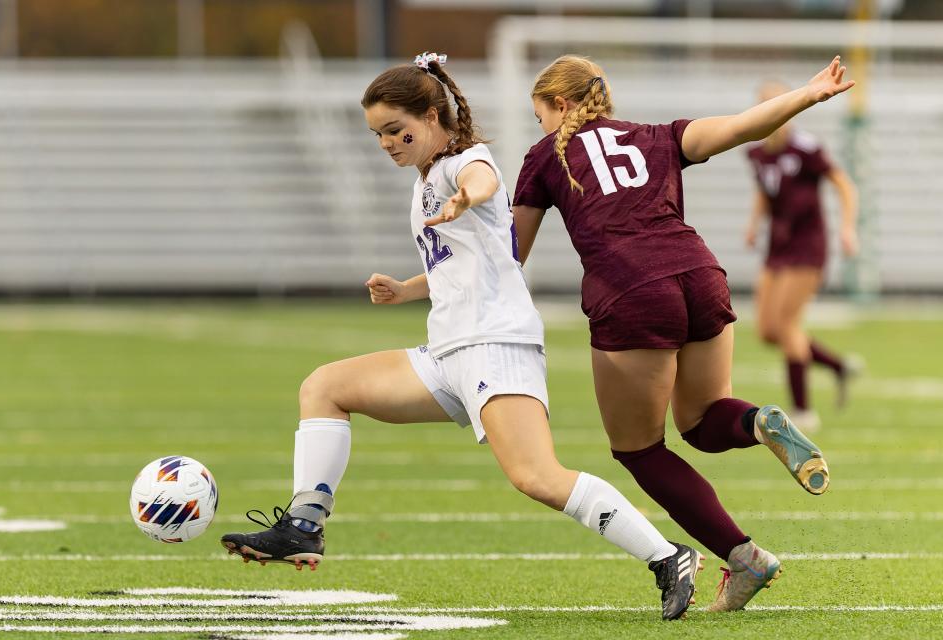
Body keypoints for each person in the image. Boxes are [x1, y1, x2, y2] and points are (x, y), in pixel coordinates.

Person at [220, 52, 702, 621]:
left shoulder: (461, 162)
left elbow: (484, 177)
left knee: (536, 476)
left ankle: (668, 556)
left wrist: (469, 194)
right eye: (377, 135)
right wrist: (406, 289)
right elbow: (472, 260)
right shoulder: (427, 177)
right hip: (448, 351)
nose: (387, 144)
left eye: (396, 131)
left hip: (494, 346)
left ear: (431, 115)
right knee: (324, 387)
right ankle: (303, 526)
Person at [512, 54, 853, 612]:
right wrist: (807, 95)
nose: (542, 126)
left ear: (562, 104)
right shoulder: (656, 136)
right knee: (701, 417)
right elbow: (743, 126)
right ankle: (755, 421)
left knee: (639, 449)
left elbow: (512, 255)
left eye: (540, 114)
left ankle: (744, 557)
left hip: (630, 289)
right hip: (699, 273)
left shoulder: (544, 156)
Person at [746, 80, 860, 432]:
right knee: (767, 330)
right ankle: (838, 366)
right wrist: (753, 224)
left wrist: (847, 227)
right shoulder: (758, 152)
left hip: (808, 246)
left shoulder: (806, 148)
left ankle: (803, 411)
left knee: (786, 324)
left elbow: (843, 183)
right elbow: (767, 191)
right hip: (778, 248)